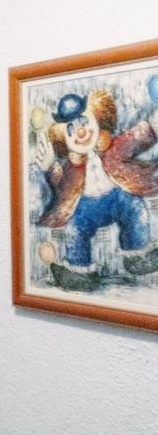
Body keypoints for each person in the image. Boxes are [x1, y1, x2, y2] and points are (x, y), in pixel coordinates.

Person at [34, 90, 158, 291]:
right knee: (74, 230)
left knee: (136, 208)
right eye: (71, 130)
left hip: (117, 197)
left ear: (98, 119)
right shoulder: (71, 167)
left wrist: (152, 125)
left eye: (84, 122)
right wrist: (50, 167)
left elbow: (135, 138)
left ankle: (137, 256)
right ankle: (80, 273)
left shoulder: (114, 147)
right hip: (87, 208)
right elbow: (61, 187)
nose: (81, 132)